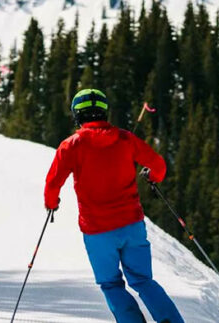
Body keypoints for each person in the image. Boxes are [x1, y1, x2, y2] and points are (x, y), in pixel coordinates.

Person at [43, 89, 184, 323]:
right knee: (143, 280)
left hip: (97, 231)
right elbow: (158, 165)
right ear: (104, 112)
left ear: (78, 115)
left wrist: (52, 203)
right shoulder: (125, 138)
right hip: (132, 225)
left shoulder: (71, 145)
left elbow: (53, 182)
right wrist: (153, 176)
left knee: (110, 284)